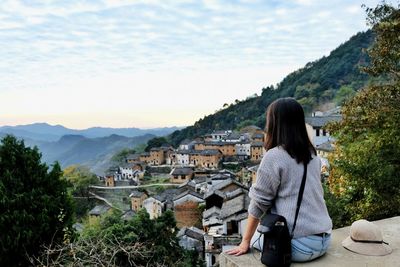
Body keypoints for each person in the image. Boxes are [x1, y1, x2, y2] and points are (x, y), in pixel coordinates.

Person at [227, 97, 332, 262]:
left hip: (298, 247)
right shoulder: (312, 154)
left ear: (274, 123)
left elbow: (259, 203)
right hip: (323, 241)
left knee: (255, 236)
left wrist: (245, 242)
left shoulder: (274, 156)